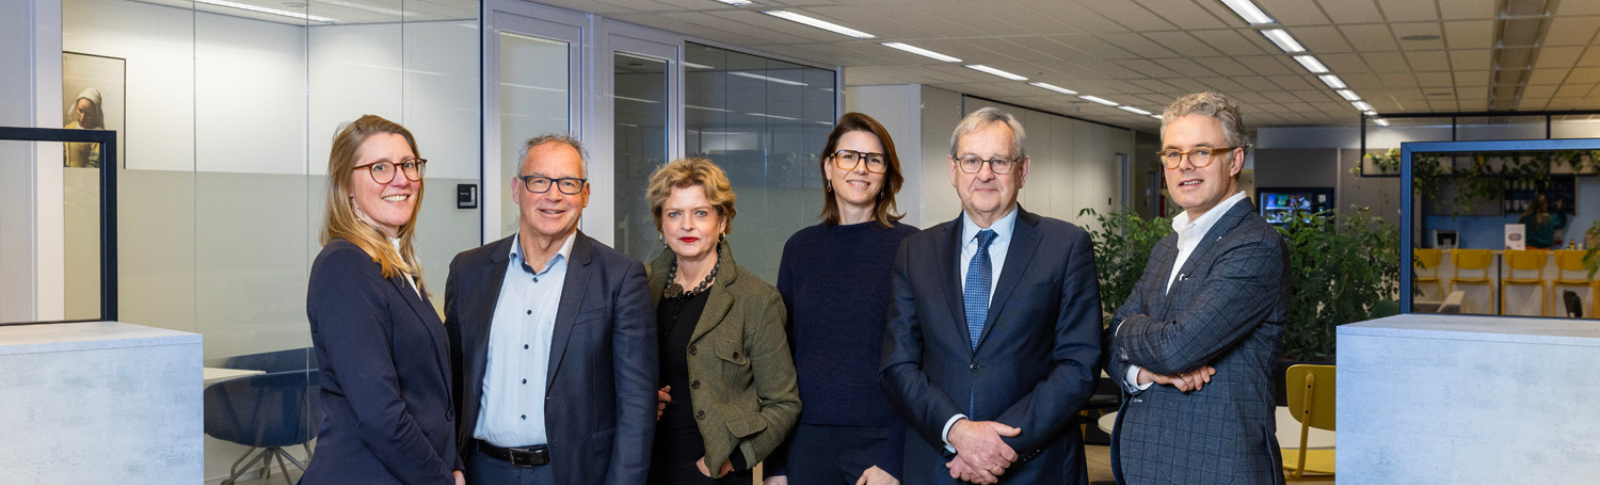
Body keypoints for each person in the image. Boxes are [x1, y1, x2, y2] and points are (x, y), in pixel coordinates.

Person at [880, 107, 1102, 485]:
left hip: (1035, 468)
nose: (984, 174)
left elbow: (1078, 365)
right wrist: (956, 431)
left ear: (1023, 170)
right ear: (953, 170)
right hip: (938, 467)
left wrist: (996, 446)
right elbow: (898, 366)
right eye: (971, 161)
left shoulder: (1065, 247)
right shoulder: (916, 252)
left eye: (999, 161)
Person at [444, 134, 657, 485]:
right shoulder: (468, 271)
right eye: (539, 181)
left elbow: (637, 404)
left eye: (568, 183)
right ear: (517, 189)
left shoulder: (620, 277)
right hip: (481, 470)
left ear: (585, 194)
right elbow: (449, 384)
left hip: (572, 473)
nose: (554, 195)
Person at [1104, 92, 1290, 485]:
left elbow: (1177, 348)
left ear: (1235, 161)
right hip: (1149, 466)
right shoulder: (1167, 247)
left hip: (1219, 469)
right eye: (1173, 154)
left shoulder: (1255, 245)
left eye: (1201, 152)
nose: (1184, 165)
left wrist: (1125, 330)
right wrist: (1144, 372)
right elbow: (1111, 342)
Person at [303, 114, 465, 485]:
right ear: (346, 185)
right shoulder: (344, 266)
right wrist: (440, 480)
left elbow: (430, 396)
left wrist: (453, 462)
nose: (401, 178)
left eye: (408, 164)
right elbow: (380, 414)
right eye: (379, 167)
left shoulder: (395, 266)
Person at [766, 113, 918, 485]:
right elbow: (779, 360)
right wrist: (775, 464)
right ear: (828, 167)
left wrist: (895, 460)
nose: (860, 168)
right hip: (805, 443)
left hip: (882, 444)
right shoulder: (800, 248)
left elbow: (925, 361)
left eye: (874, 159)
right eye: (848, 156)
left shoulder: (913, 247)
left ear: (886, 175)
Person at [645, 157, 801, 485]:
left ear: (723, 220)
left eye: (700, 213)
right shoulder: (639, 287)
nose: (687, 225)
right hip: (642, 466)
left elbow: (784, 403)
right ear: (661, 223)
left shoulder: (756, 299)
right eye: (674, 214)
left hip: (710, 472)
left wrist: (735, 459)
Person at [64, 87, 104, 168]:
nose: (82, 117)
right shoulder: (69, 127)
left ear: (95, 114)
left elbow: (94, 165)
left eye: (88, 114)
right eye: (80, 111)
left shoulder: (98, 134)